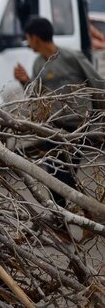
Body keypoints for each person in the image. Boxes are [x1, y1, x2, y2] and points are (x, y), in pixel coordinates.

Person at [13, 17, 105, 206]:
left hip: (77, 130)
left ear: (36, 38)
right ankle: (61, 218)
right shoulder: (39, 64)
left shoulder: (72, 57)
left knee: (66, 177)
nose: (27, 42)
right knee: (54, 176)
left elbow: (97, 85)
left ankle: (75, 213)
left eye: (28, 38)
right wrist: (25, 81)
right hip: (52, 129)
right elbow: (39, 97)